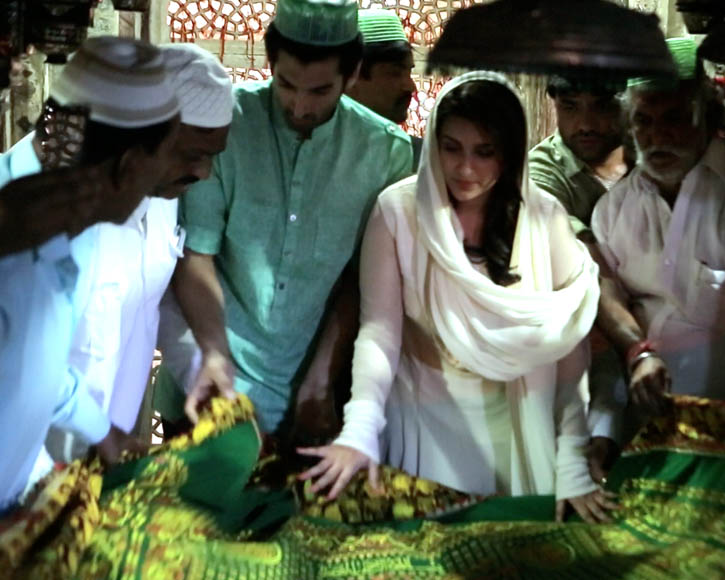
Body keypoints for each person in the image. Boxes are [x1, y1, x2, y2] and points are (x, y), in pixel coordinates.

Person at [297, 71, 616, 523]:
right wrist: (361, 430)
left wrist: (571, 462)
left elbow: (568, 348)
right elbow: (380, 332)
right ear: (433, 143)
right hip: (425, 418)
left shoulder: (544, 219)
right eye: (451, 148)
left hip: (521, 421)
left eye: (484, 152)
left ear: (509, 153)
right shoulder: (398, 212)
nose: (465, 169)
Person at [154, 0, 413, 440]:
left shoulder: (387, 152)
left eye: (320, 91)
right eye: (287, 84)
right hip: (207, 388)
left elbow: (361, 281)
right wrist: (214, 358)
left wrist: (321, 379)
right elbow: (196, 255)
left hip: (309, 399)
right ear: (270, 61)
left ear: (350, 76)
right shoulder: (227, 125)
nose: (299, 106)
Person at [0, 36, 181, 512]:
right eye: (163, 163)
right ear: (130, 166)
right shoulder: (11, 241)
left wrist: (105, 436)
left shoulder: (69, 235)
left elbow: (36, 369)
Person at [39, 43, 233, 465]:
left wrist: (201, 364)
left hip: (105, 462)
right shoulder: (37, 212)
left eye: (212, 157)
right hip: (30, 470)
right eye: (192, 154)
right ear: (143, 140)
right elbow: (26, 366)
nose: (204, 173)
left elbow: (150, 298)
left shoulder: (162, 197)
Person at [588, 38, 725, 462]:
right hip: (645, 433)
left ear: (706, 115)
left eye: (673, 118)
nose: (657, 135)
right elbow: (608, 339)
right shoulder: (612, 211)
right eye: (643, 120)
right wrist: (604, 429)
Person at [528, 76, 626, 242]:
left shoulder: (649, 157)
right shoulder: (540, 172)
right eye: (570, 107)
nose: (585, 125)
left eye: (601, 106)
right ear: (555, 106)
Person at [346, 9, 421, 165]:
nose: (411, 87)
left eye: (409, 72)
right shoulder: (313, 154)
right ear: (351, 78)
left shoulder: (423, 159)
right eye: (395, 73)